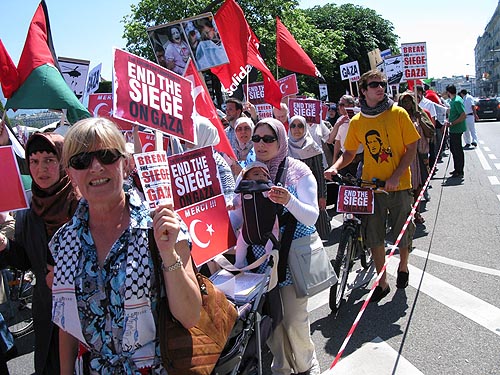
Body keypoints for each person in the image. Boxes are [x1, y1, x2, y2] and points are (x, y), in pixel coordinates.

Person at [49, 117, 202, 374]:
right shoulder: (65, 241)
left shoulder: (162, 227)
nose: (96, 167)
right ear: (70, 173)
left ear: (126, 163)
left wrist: (167, 253)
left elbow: (190, 316)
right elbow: (67, 323)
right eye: (81, 161)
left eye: (107, 155)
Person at [324, 69, 420, 303]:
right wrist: (335, 166)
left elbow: (412, 148)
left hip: (399, 186)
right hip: (371, 187)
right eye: (375, 84)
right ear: (363, 90)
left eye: (383, 84)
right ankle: (382, 282)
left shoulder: (398, 113)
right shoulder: (357, 121)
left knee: (402, 233)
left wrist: (397, 175)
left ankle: (404, 266)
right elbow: (349, 152)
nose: (381, 88)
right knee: (374, 235)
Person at [240, 118, 321, 374]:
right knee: (272, 321)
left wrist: (289, 201)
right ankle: (282, 368)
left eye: (268, 138)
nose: (260, 144)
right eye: (256, 138)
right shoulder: (248, 170)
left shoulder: (298, 171)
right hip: (260, 258)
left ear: (281, 140)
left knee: (295, 319)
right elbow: (237, 212)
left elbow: (312, 216)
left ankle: (307, 365)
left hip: (292, 256)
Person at [0, 132, 81, 374]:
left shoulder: (81, 205)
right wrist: (5, 246)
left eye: (49, 160)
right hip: (47, 311)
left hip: (84, 313)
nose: (40, 168)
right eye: (34, 161)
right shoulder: (28, 209)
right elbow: (26, 259)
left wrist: (67, 275)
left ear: (63, 162)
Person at [288, 115, 328, 240]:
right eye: (293, 126)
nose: (296, 129)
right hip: (293, 194)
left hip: (311, 193)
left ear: (305, 128)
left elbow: (320, 175)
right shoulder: (285, 147)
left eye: (300, 126)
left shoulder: (313, 147)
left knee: (315, 224)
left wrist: (322, 196)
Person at [398, 91, 435, 224]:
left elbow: (430, 132)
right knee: (407, 188)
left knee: (419, 185)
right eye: (405, 101)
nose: (407, 104)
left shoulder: (420, 114)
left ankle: (417, 213)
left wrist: (420, 120)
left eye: (409, 101)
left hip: (419, 156)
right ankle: (405, 214)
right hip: (404, 157)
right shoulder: (398, 117)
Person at [332, 95, 363, 178]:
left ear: (350, 106)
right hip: (343, 157)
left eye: (342, 105)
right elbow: (337, 141)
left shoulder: (360, 118)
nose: (339, 107)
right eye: (339, 104)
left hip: (358, 158)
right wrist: (335, 159)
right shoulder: (340, 120)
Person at [444, 85, 467, 178]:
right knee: (453, 149)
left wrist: (452, 123)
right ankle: (456, 168)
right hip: (453, 129)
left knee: (457, 150)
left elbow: (463, 115)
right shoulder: (453, 101)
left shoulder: (457, 101)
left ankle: (460, 170)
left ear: (448, 92)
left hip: (457, 129)